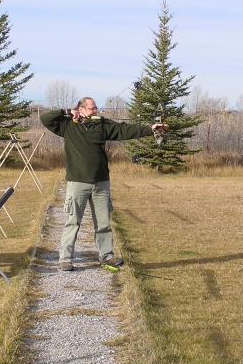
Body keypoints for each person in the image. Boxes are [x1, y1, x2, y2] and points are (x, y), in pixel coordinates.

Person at [40, 97, 168, 271]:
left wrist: (150, 128)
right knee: (72, 222)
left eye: (95, 108)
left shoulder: (101, 125)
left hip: (101, 182)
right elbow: (45, 118)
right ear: (81, 109)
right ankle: (65, 259)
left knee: (103, 223)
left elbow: (124, 130)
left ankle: (106, 257)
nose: (96, 111)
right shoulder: (67, 126)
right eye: (92, 109)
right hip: (78, 182)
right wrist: (67, 112)